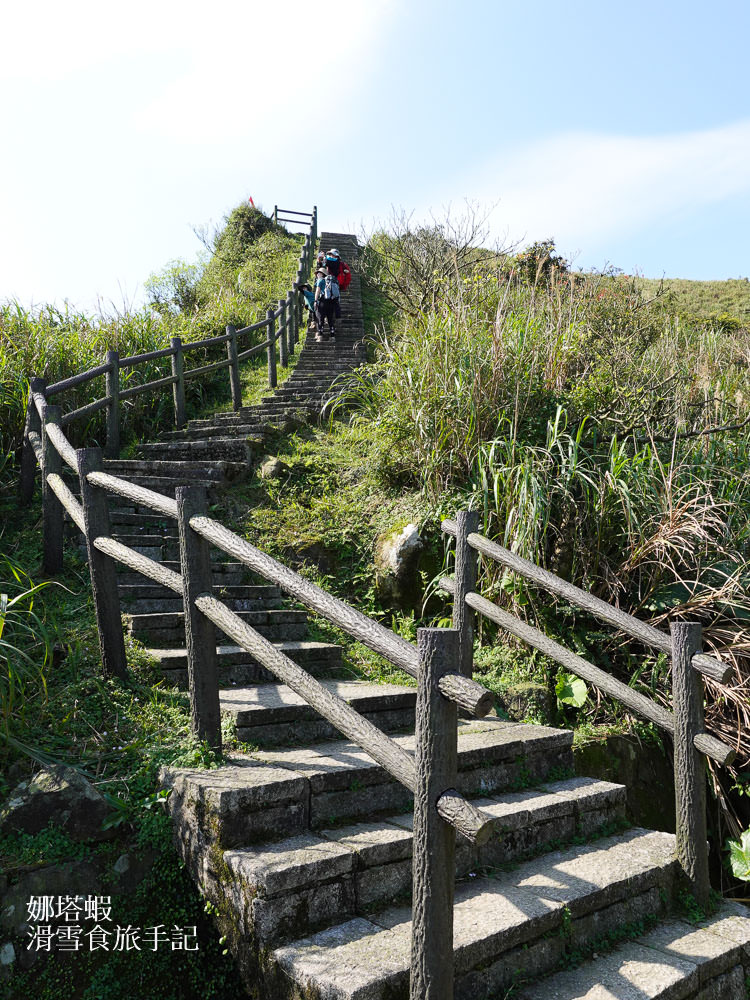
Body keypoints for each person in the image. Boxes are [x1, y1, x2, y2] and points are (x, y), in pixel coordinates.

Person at [314, 266, 339, 339]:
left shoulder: (320, 280)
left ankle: (320, 335)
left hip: (323, 301)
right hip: (331, 301)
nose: (317, 274)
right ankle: (332, 335)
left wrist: (315, 301)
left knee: (320, 317)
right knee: (330, 318)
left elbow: (317, 291)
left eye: (318, 273)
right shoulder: (332, 280)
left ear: (322, 274)